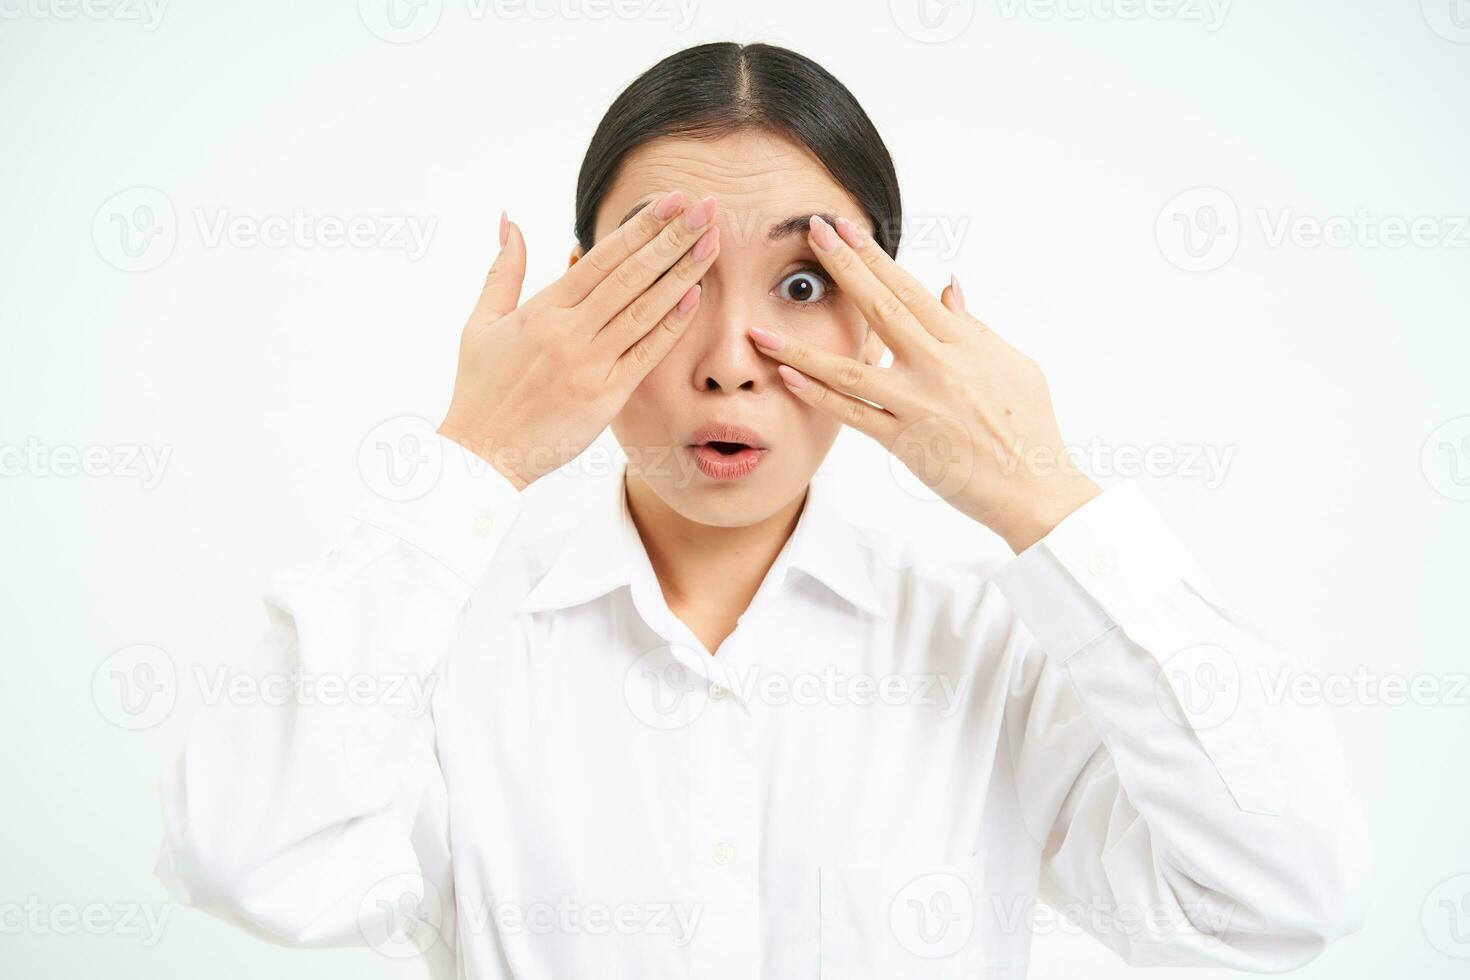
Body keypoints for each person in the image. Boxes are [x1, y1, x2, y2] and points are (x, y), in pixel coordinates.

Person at [155, 41, 1369, 979]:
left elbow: (1283, 886)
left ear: (880, 310)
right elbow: (249, 852)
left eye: (801, 281)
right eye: (667, 278)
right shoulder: (449, 642)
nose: (731, 359)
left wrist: (1039, 490)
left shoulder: (992, 652)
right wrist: (476, 456)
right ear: (579, 300)